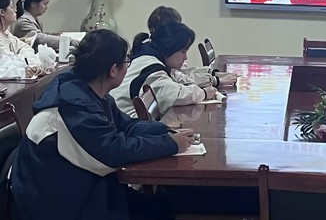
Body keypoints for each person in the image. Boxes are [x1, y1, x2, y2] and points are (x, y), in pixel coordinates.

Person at [10, 29, 196, 220]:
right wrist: (170, 144)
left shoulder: (91, 92)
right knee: (159, 212)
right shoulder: (73, 106)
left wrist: (167, 131)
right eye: (126, 62)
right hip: (56, 201)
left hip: (83, 184)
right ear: (113, 70)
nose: (128, 66)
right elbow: (115, 152)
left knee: (163, 205)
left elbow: (127, 126)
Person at [112, 21, 218, 117]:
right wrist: (204, 93)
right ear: (170, 48)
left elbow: (181, 79)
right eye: (183, 52)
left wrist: (212, 79)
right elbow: (176, 95)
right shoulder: (152, 69)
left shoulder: (149, 56)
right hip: (124, 124)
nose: (185, 57)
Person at [146, 6, 238, 87]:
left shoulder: (158, 50)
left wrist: (213, 74)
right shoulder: (155, 59)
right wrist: (215, 80)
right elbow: (181, 81)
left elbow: (185, 71)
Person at [13, 0, 79, 51]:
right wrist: (68, 41)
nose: (47, 7)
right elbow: (39, 38)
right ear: (33, 4)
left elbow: (41, 35)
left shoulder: (36, 19)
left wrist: (53, 35)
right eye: (45, 4)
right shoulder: (23, 21)